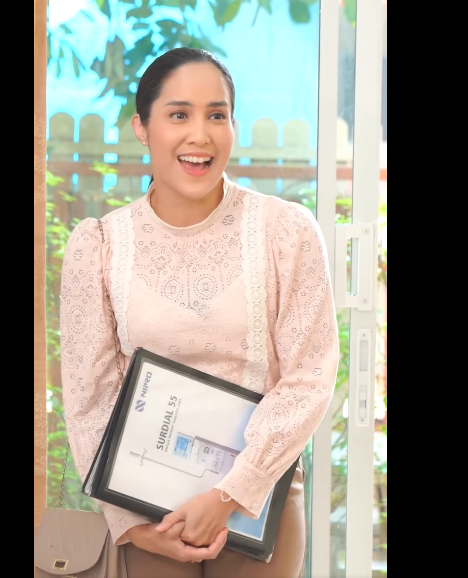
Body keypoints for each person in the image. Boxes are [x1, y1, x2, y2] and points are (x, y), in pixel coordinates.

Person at [60, 47, 339, 578]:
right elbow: (89, 397)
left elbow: (309, 376)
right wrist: (131, 525)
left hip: (259, 501)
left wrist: (231, 492)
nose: (200, 135)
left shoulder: (287, 232)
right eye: (178, 114)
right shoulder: (99, 246)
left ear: (233, 125)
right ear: (142, 128)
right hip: (148, 512)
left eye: (216, 115)